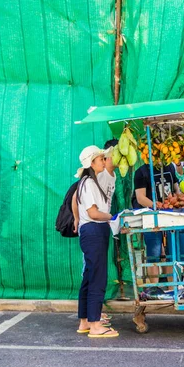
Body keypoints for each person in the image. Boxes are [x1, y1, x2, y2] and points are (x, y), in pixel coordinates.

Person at [74, 145, 118, 338]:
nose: (104, 161)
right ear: (92, 163)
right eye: (101, 158)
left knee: (90, 277)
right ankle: (95, 325)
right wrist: (112, 217)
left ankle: (85, 321)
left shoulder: (89, 182)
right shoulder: (89, 184)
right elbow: (93, 213)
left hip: (91, 232)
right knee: (97, 279)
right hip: (94, 231)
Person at [132, 162, 180, 283]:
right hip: (150, 218)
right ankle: (154, 288)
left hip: (170, 216)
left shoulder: (169, 167)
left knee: (171, 253)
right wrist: (156, 205)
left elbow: (176, 189)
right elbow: (140, 198)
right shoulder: (141, 172)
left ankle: (171, 288)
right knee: (154, 253)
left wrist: (178, 200)